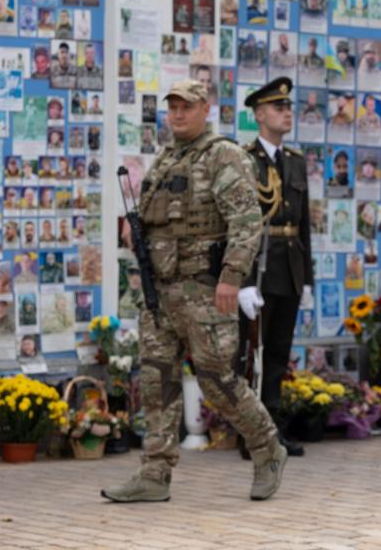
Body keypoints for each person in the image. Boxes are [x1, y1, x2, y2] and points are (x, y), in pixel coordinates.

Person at [102, 79, 287, 503]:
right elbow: (156, 217)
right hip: (160, 293)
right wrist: (134, 229)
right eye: (173, 107)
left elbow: (246, 221)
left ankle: (267, 449)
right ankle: (154, 473)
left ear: (205, 108)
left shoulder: (222, 154)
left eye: (186, 106)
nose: (178, 114)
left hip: (205, 291)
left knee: (218, 381)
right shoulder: (167, 158)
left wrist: (231, 278)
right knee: (156, 379)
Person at [238, 77, 313, 459]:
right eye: (278, 107)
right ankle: (250, 433)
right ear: (259, 114)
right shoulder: (244, 159)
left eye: (288, 107)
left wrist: (309, 278)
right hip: (259, 268)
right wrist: (243, 281)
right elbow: (238, 224)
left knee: (278, 354)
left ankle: (273, 430)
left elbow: (304, 226)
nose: (286, 113)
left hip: (289, 268)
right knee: (251, 353)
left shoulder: (295, 162)